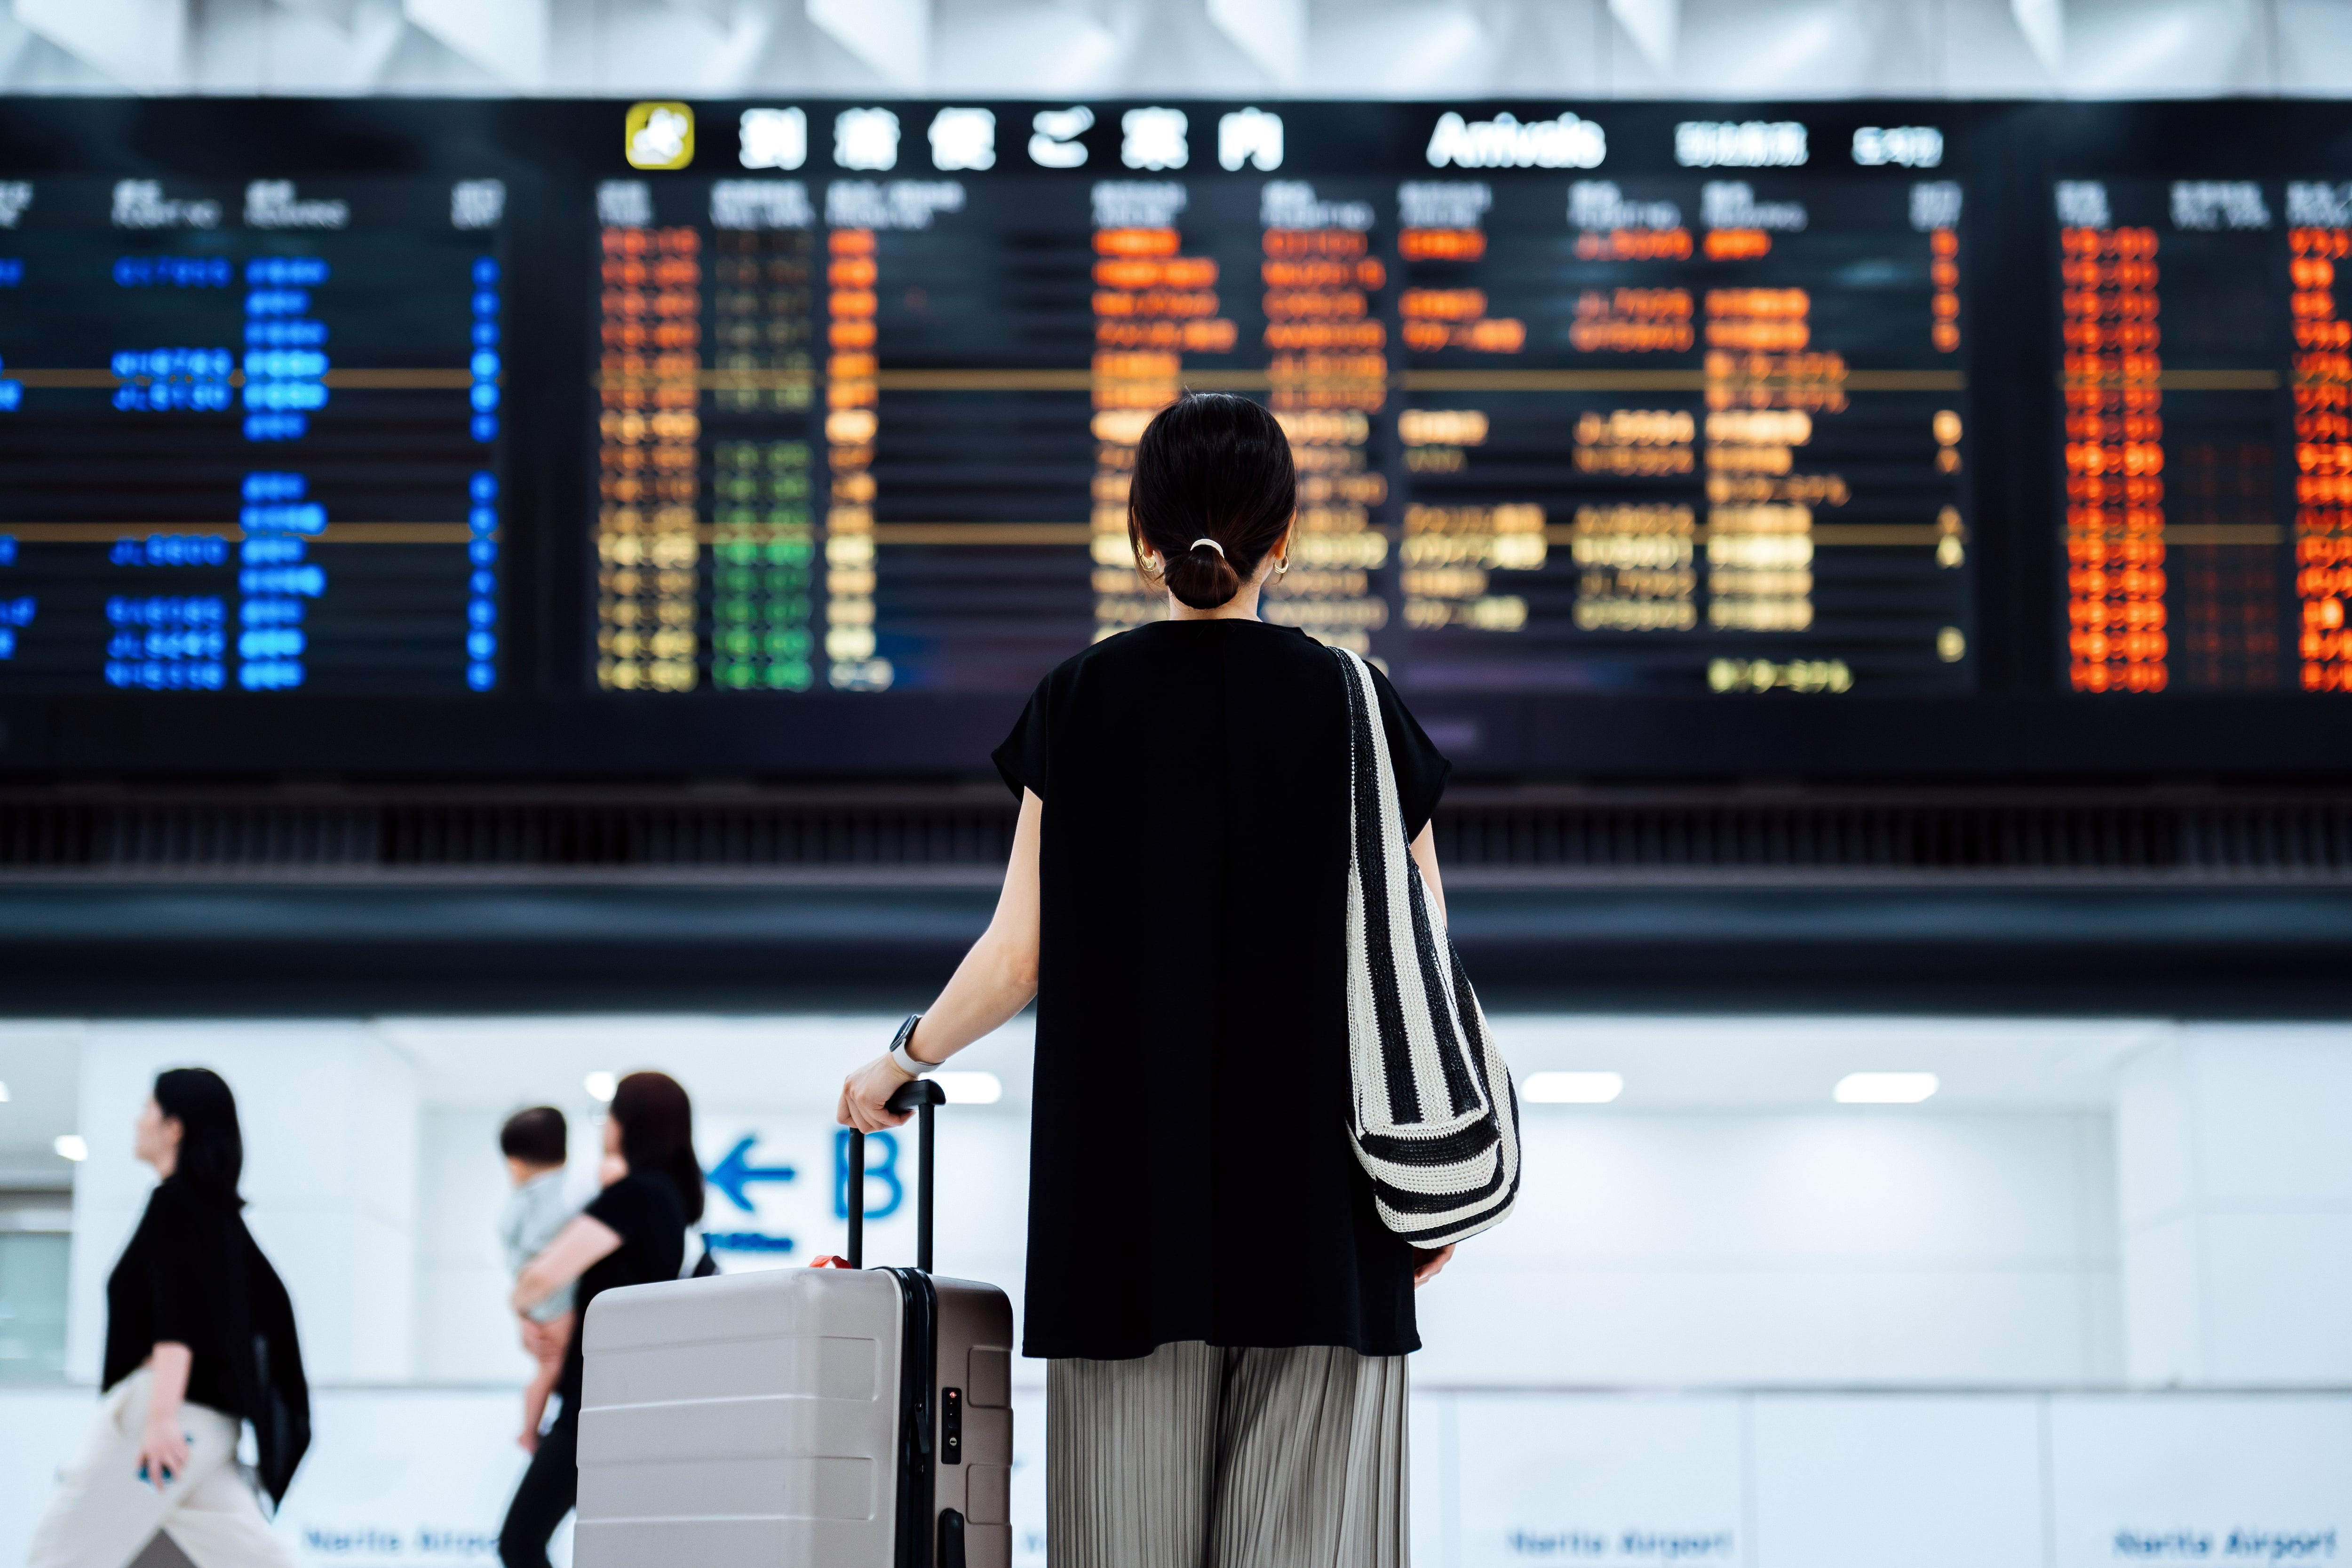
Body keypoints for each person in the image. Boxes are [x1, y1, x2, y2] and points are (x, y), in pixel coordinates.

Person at [838, 392, 1457, 1568]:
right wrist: (1429, 1182)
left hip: (1121, 1230)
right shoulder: (1361, 704)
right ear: (1286, 539)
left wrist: (901, 1059)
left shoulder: (1079, 700)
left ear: (1141, 539)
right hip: (1331, 1224)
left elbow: (1017, 955)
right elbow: (1419, 956)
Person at [28, 1068, 309, 1568]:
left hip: (167, 1418)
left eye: (148, 1110)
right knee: (252, 1558)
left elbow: (177, 1328)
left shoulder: (175, 1205)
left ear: (174, 1127)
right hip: (207, 1425)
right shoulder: (217, 1217)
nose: (138, 1123)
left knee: (60, 1555)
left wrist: (159, 1422)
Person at [498, 1072, 702, 1568]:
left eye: (609, 1114)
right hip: (620, 1398)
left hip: (597, 1404)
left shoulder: (638, 1196)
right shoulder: (668, 1198)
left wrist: (523, 1305)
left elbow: (538, 1279)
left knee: (520, 1541)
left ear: (627, 1125)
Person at [496, 1106, 577, 1453]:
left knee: (546, 1365)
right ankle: (529, 1432)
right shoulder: (562, 1193)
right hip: (555, 1297)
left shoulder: (520, 1200)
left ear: (514, 1162)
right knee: (552, 1364)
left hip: (537, 1298)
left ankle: (529, 1430)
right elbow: (547, 1252)